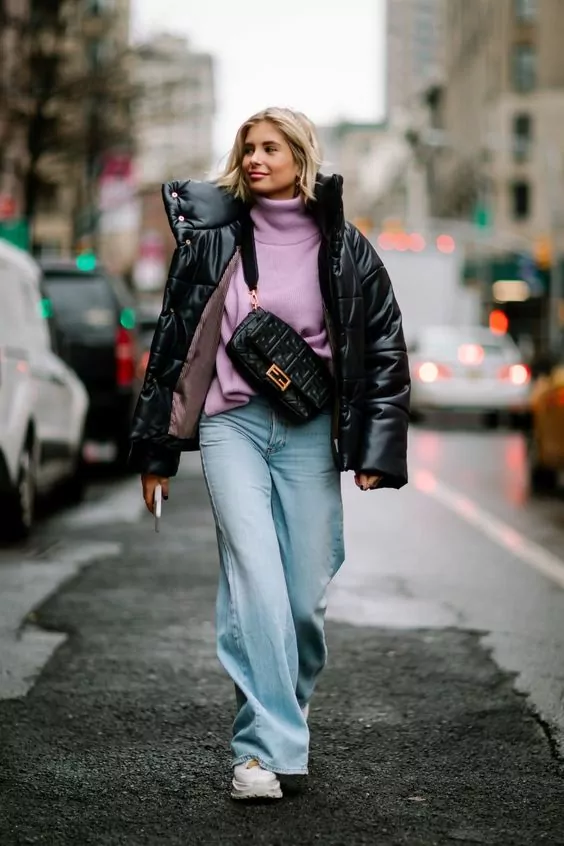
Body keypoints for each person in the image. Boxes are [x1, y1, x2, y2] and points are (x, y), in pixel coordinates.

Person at [129, 107, 411, 801]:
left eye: (270, 148)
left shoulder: (344, 246)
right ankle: (261, 751)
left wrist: (377, 448)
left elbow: (383, 348)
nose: (255, 158)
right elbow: (175, 349)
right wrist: (158, 451)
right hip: (232, 428)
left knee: (304, 595)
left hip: (310, 428)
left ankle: (284, 697)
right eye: (247, 148)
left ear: (301, 157)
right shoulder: (213, 241)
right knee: (253, 577)